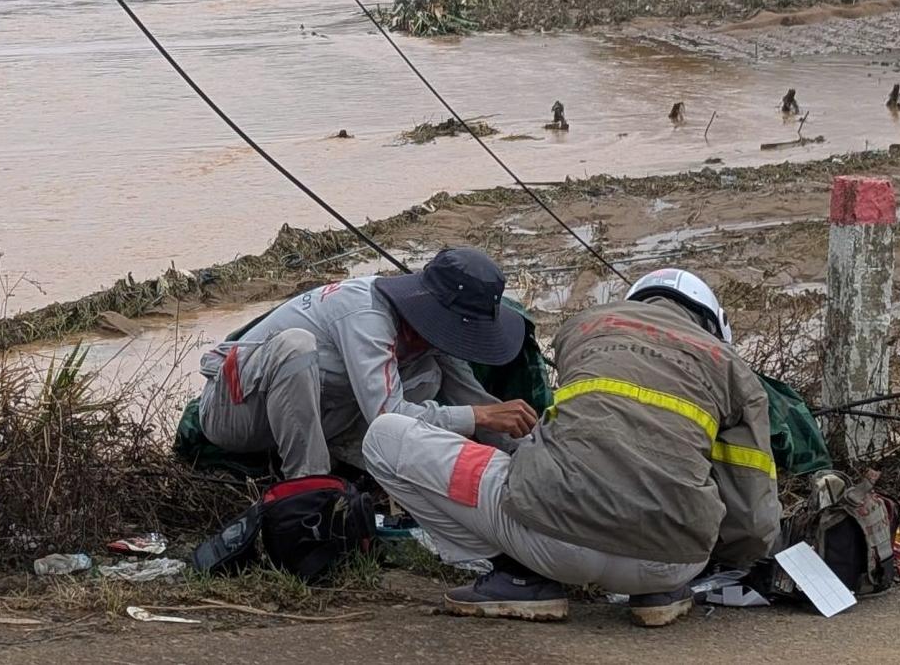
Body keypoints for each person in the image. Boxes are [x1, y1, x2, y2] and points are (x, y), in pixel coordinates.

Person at [362, 268, 781, 627]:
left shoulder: (585, 328)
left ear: (634, 301)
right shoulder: (735, 372)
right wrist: (706, 556)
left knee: (385, 435)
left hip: (549, 543)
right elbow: (752, 517)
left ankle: (517, 574)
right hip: (672, 562)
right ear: (713, 325)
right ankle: (661, 595)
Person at [196, 247, 539, 480]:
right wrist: (478, 416)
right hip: (236, 411)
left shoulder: (432, 338)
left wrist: (529, 454)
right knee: (295, 347)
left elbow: (474, 399)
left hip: (321, 411)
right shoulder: (366, 316)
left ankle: (357, 459)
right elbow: (388, 416)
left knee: (428, 376)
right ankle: (309, 485)